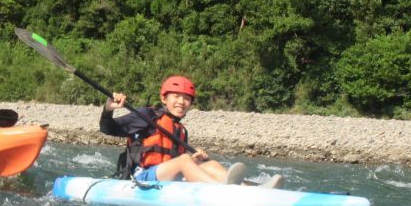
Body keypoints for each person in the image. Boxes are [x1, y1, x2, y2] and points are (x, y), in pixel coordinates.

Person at [100, 75, 283, 187]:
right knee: (185, 160)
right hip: (140, 177)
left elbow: (172, 160)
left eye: (187, 99)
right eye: (176, 96)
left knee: (209, 164)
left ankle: (248, 189)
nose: (181, 102)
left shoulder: (181, 129)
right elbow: (108, 128)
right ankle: (225, 191)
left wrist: (193, 161)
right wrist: (109, 108)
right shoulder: (146, 114)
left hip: (164, 175)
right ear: (164, 98)